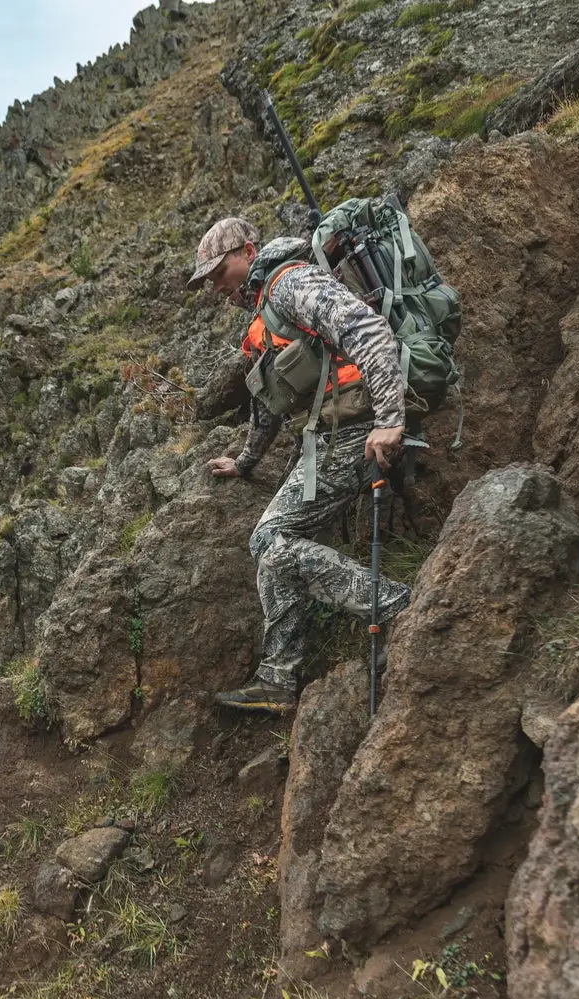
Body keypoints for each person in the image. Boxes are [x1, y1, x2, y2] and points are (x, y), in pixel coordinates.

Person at [189, 215, 414, 714]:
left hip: (358, 431)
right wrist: (246, 463)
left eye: (218, 271)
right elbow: (269, 402)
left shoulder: (290, 282)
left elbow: (366, 328)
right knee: (270, 537)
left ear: (248, 251)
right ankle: (278, 676)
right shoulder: (265, 313)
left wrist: (391, 421)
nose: (215, 287)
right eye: (207, 280)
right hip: (330, 437)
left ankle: (400, 605)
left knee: (269, 540)